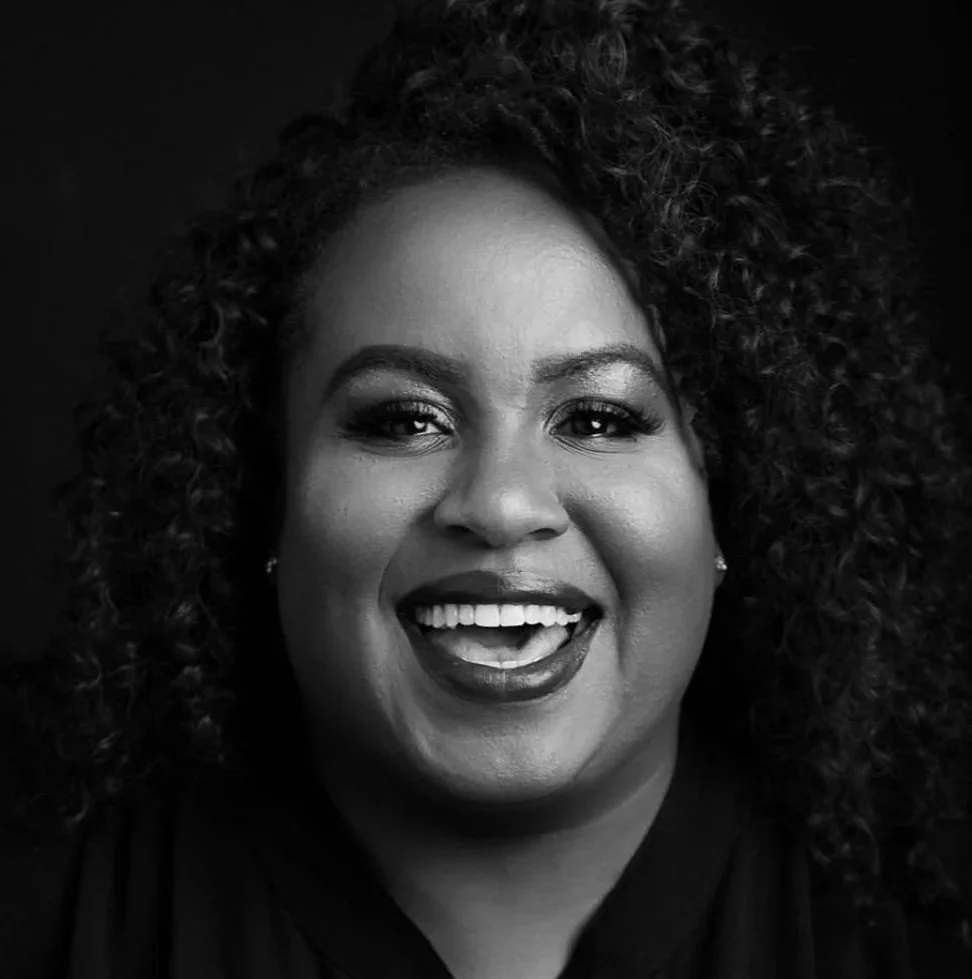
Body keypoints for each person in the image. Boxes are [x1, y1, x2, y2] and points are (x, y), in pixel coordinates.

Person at [2, 0, 971, 976]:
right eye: (404, 419)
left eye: (598, 418)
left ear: (735, 502)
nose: (502, 505)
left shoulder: (913, 941)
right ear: (265, 495)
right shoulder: (51, 916)